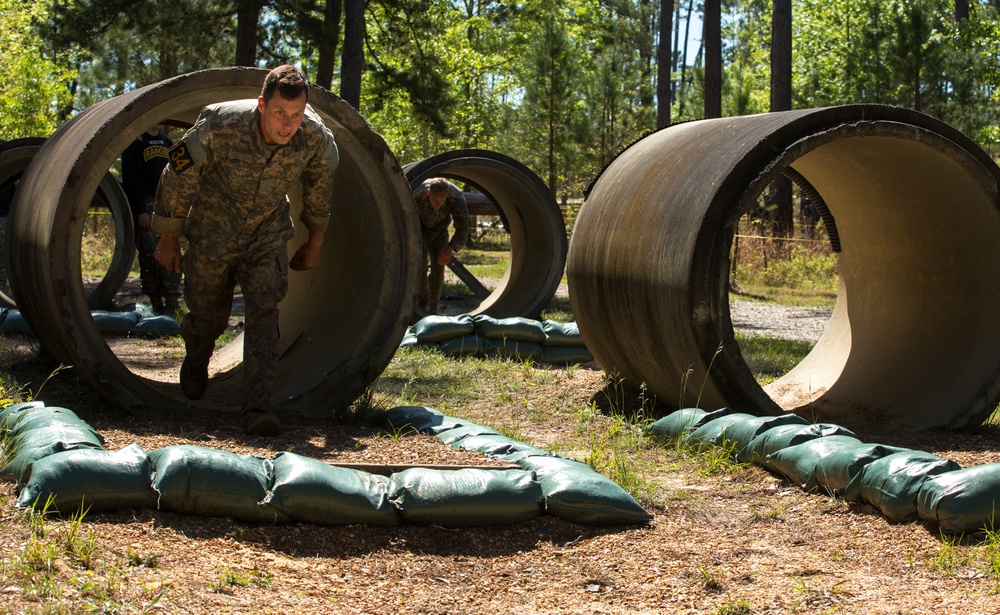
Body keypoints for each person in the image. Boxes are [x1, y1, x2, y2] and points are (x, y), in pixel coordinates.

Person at [152, 65, 339, 437]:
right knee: (208, 312)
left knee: (264, 312)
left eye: (296, 114)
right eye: (279, 113)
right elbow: (177, 171)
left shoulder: (314, 138)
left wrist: (314, 242)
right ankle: (197, 354)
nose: (288, 124)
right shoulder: (221, 124)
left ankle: (257, 407)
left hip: (266, 231)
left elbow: (319, 188)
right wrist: (169, 235)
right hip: (212, 229)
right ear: (261, 105)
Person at [120, 126, 182, 315]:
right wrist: (140, 210)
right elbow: (130, 179)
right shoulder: (135, 143)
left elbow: (177, 174)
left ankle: (172, 304)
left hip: (166, 206)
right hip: (146, 208)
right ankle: (156, 302)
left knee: (172, 252)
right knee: (149, 255)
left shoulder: (167, 141)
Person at [412, 178, 469, 314]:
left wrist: (451, 247)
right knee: (421, 265)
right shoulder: (415, 193)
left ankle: (432, 310)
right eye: (435, 200)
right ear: (428, 193)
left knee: (439, 267)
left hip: (440, 230)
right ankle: (422, 304)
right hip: (418, 229)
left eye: (441, 201)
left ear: (447, 195)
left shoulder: (456, 197)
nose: (437, 204)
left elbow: (463, 227)